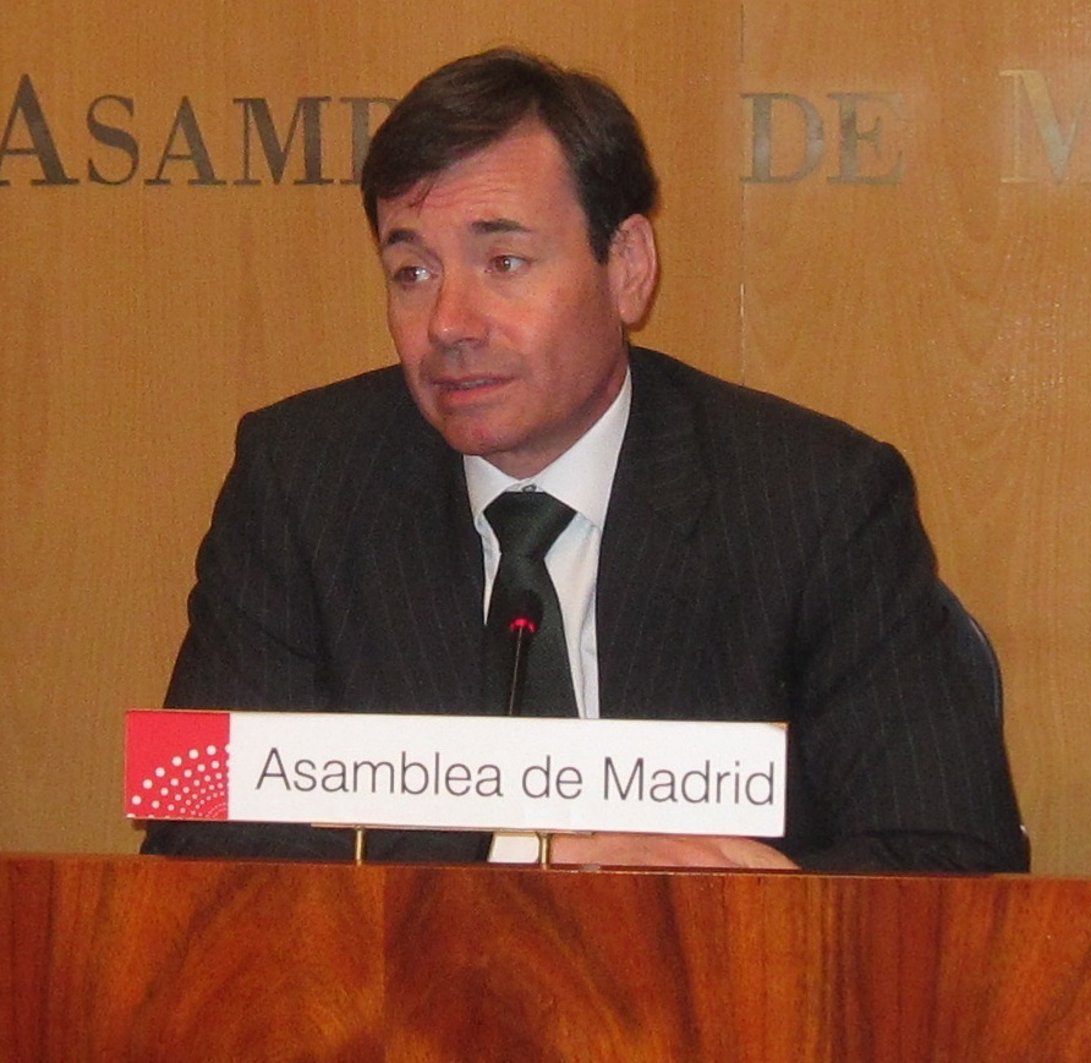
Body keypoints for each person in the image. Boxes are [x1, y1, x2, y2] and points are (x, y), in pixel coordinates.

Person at [142, 48, 1028, 871]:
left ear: (628, 266)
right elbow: (195, 825)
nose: (449, 323)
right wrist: (518, 865)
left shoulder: (815, 500)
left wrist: (769, 910)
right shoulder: (300, 481)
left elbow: (953, 859)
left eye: (505, 261)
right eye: (412, 273)